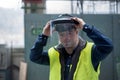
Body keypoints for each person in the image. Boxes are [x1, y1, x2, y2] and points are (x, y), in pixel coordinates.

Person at [30, 14, 113, 80]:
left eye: (70, 33)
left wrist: (86, 27)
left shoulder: (91, 52)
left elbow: (107, 46)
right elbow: (34, 57)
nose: (66, 38)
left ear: (77, 31)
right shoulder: (53, 53)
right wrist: (44, 36)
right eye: (62, 35)